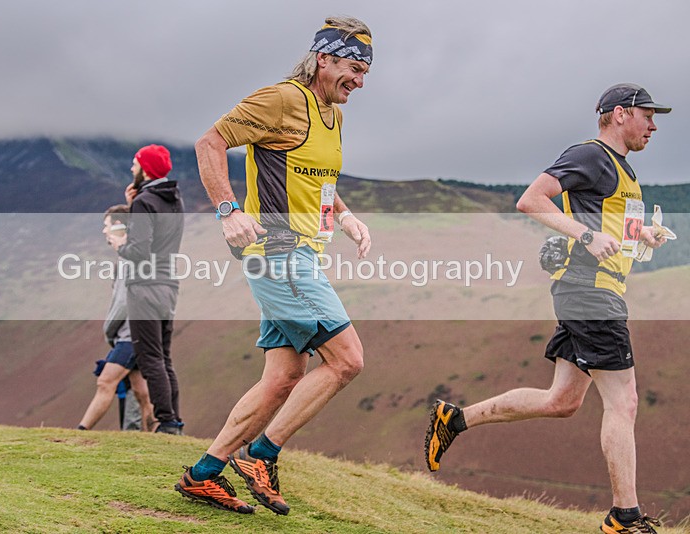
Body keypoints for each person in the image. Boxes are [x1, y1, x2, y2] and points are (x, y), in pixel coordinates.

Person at [424, 83, 671, 533]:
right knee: (624, 402)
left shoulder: (624, 170)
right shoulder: (591, 154)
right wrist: (586, 235)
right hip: (589, 292)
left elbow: (614, 229)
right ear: (619, 114)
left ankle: (454, 420)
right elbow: (531, 199)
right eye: (647, 115)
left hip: (595, 290)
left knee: (562, 401)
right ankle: (625, 517)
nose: (654, 126)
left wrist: (643, 237)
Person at [174, 16, 373, 515]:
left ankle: (203, 474)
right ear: (323, 59)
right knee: (347, 360)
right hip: (279, 253)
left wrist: (346, 218)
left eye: (366, 71)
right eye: (353, 67)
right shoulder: (282, 100)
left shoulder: (334, 117)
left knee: (283, 377)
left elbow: (318, 178)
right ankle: (260, 454)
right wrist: (228, 211)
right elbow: (210, 143)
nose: (360, 81)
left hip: (305, 253)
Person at [108, 145, 185, 435]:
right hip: (168, 286)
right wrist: (132, 205)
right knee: (164, 357)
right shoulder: (173, 198)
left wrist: (119, 246)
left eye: (135, 164)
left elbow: (139, 250)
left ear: (145, 169)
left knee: (149, 358)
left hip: (144, 286)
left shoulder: (145, 201)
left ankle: (165, 423)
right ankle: (174, 420)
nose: (132, 169)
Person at [78, 205, 153, 432]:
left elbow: (122, 303)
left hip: (130, 335)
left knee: (105, 381)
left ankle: (80, 431)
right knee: (141, 391)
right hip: (137, 333)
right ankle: (158, 432)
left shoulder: (129, 260)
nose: (104, 231)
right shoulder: (132, 258)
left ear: (121, 227)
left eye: (108, 225)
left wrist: (108, 330)